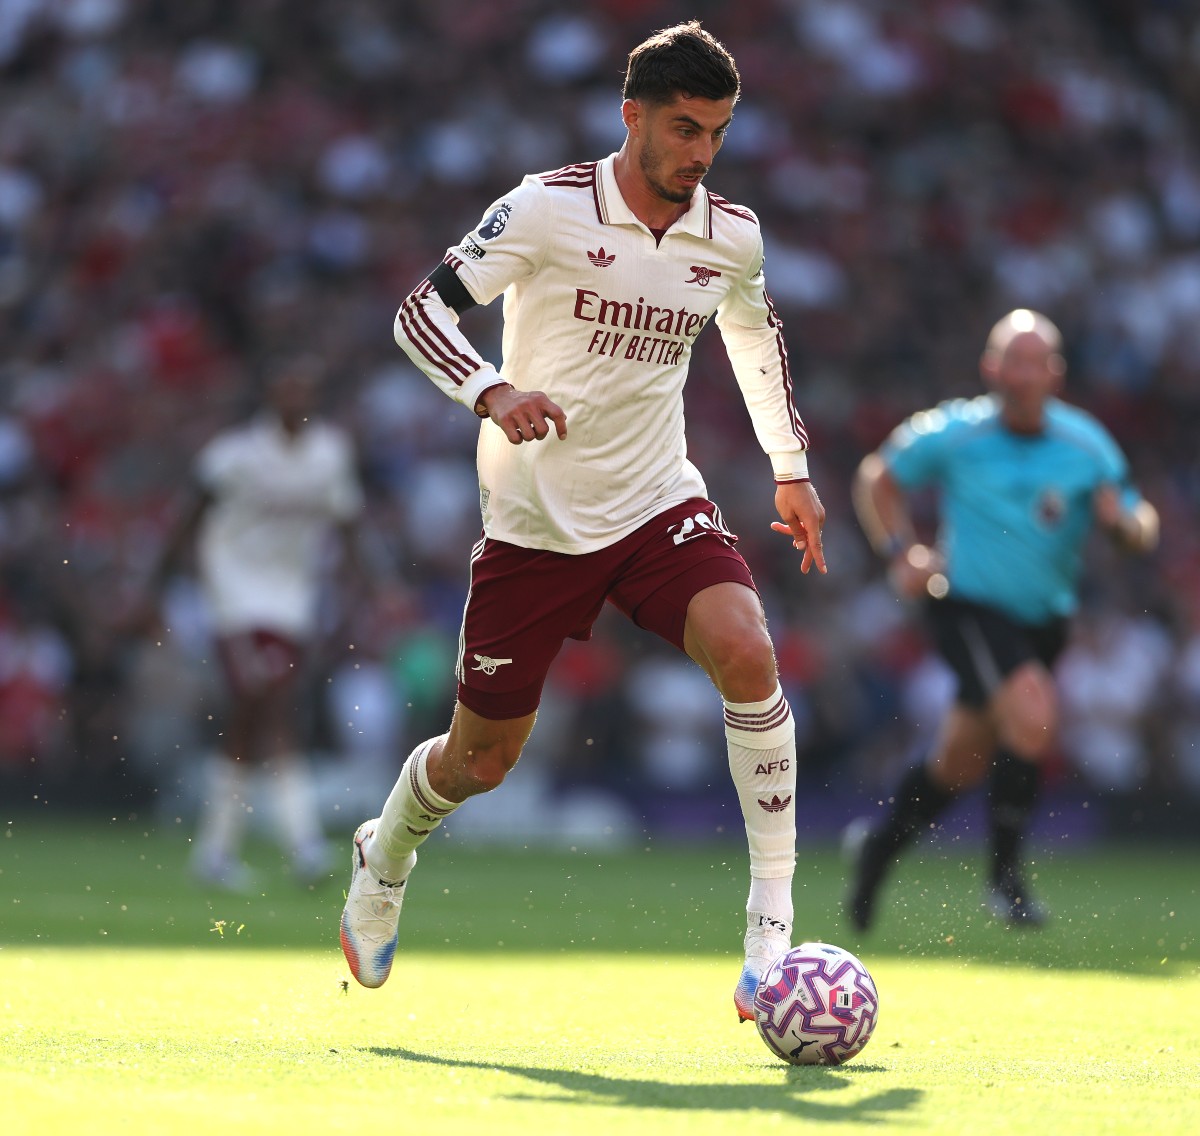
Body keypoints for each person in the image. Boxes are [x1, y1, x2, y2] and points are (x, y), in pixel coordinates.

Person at [338, 21, 827, 1022]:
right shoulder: (545, 207)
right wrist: (491, 389)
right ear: (632, 116)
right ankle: (384, 853)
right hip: (536, 519)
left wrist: (791, 468)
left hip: (657, 500)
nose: (701, 152)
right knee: (481, 761)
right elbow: (418, 313)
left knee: (747, 650)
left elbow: (754, 337)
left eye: (718, 133)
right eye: (685, 129)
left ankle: (770, 924)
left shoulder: (730, 233)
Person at [845, 308, 1159, 931]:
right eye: (1012, 361)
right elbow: (877, 477)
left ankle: (877, 850)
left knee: (959, 762)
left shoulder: (1085, 444)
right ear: (990, 368)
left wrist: (1124, 525)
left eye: (1034, 363)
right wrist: (899, 550)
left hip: (1043, 624)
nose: (1022, 375)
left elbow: (1139, 521)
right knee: (1034, 710)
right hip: (967, 608)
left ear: (1055, 373)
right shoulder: (956, 432)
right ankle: (1005, 879)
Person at [142, 356, 394, 891]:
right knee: (268, 701)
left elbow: (348, 524)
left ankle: (215, 852)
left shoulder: (329, 454)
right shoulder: (234, 454)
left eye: (304, 389)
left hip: (291, 599)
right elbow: (189, 515)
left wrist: (376, 587)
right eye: (287, 388)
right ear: (269, 394)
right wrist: (157, 586)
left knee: (253, 712)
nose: (295, 399)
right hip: (233, 591)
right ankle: (304, 845)